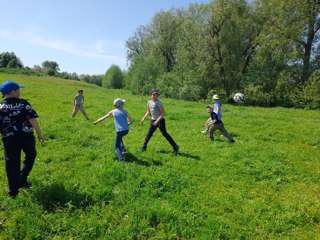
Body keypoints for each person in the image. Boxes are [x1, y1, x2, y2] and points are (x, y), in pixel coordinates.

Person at [0, 80, 45, 198]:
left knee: (11, 164)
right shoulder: (24, 103)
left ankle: (13, 192)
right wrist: (40, 134)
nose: (20, 92)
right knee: (31, 155)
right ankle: (23, 177)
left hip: (9, 139)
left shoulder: (0, 106)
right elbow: (32, 119)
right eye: (18, 89)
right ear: (12, 91)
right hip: (27, 137)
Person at [94, 98, 133, 163]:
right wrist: (127, 124)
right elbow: (131, 121)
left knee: (117, 147)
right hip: (126, 130)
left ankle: (122, 160)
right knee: (119, 137)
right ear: (120, 105)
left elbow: (103, 118)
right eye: (122, 103)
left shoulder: (112, 112)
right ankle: (123, 149)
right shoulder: (125, 111)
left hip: (119, 131)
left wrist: (96, 122)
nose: (123, 104)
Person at [140, 89, 179, 154]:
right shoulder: (149, 102)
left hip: (160, 120)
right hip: (153, 120)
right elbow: (148, 111)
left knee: (164, 133)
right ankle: (144, 146)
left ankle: (175, 146)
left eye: (156, 95)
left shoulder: (158, 102)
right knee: (149, 134)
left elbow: (163, 113)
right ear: (150, 95)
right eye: (153, 95)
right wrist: (144, 118)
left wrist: (157, 121)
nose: (155, 96)